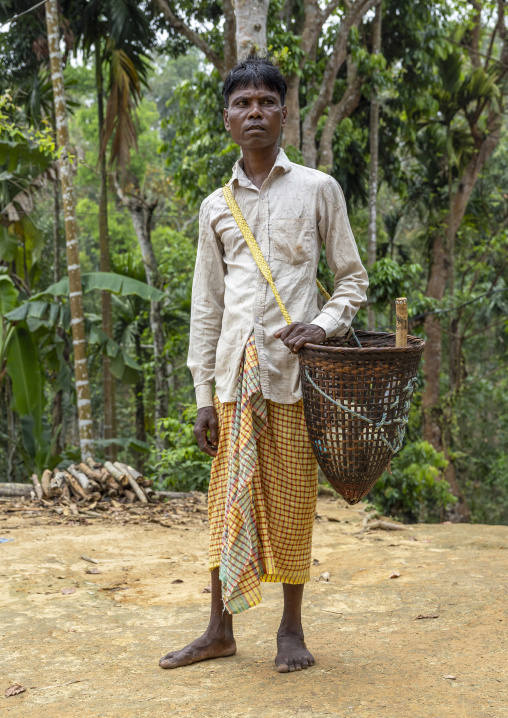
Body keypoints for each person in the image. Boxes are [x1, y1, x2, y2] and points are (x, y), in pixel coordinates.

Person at [159, 56, 368, 674]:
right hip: (233, 382)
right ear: (227, 119)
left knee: (294, 500)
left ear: (283, 112)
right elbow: (207, 305)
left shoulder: (318, 189)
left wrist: (323, 325)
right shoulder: (214, 206)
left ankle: (291, 630)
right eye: (242, 103)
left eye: (266, 102)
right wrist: (203, 393)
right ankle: (218, 630)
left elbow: (351, 280)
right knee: (226, 504)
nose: (255, 112)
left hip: (295, 380)